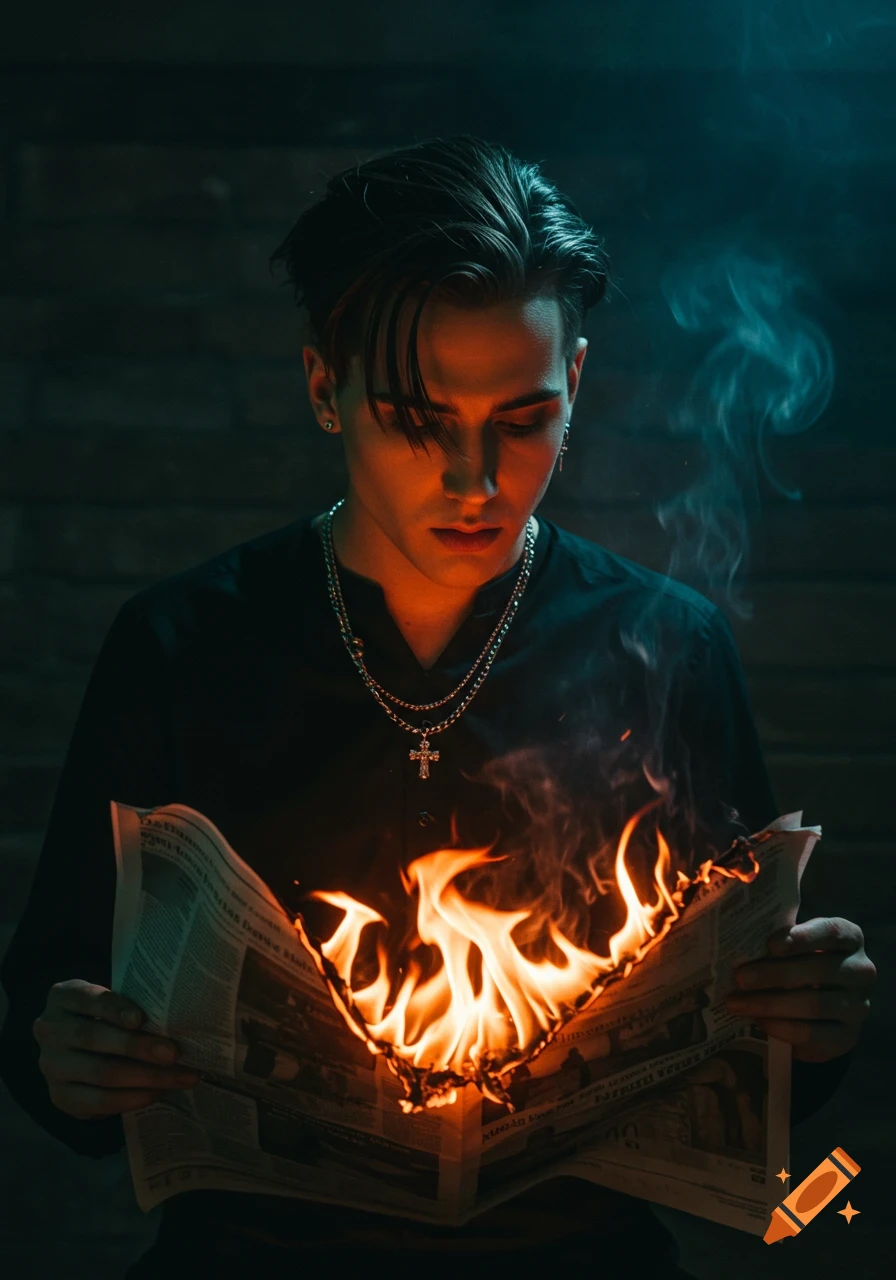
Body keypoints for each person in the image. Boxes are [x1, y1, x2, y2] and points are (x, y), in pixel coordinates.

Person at [0, 135, 876, 1279]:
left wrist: (811, 1027)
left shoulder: (664, 644)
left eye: (521, 419)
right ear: (325, 387)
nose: (475, 480)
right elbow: (47, 1000)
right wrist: (63, 1053)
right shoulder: (181, 643)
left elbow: (757, 1065)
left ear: (575, 382)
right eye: (418, 418)